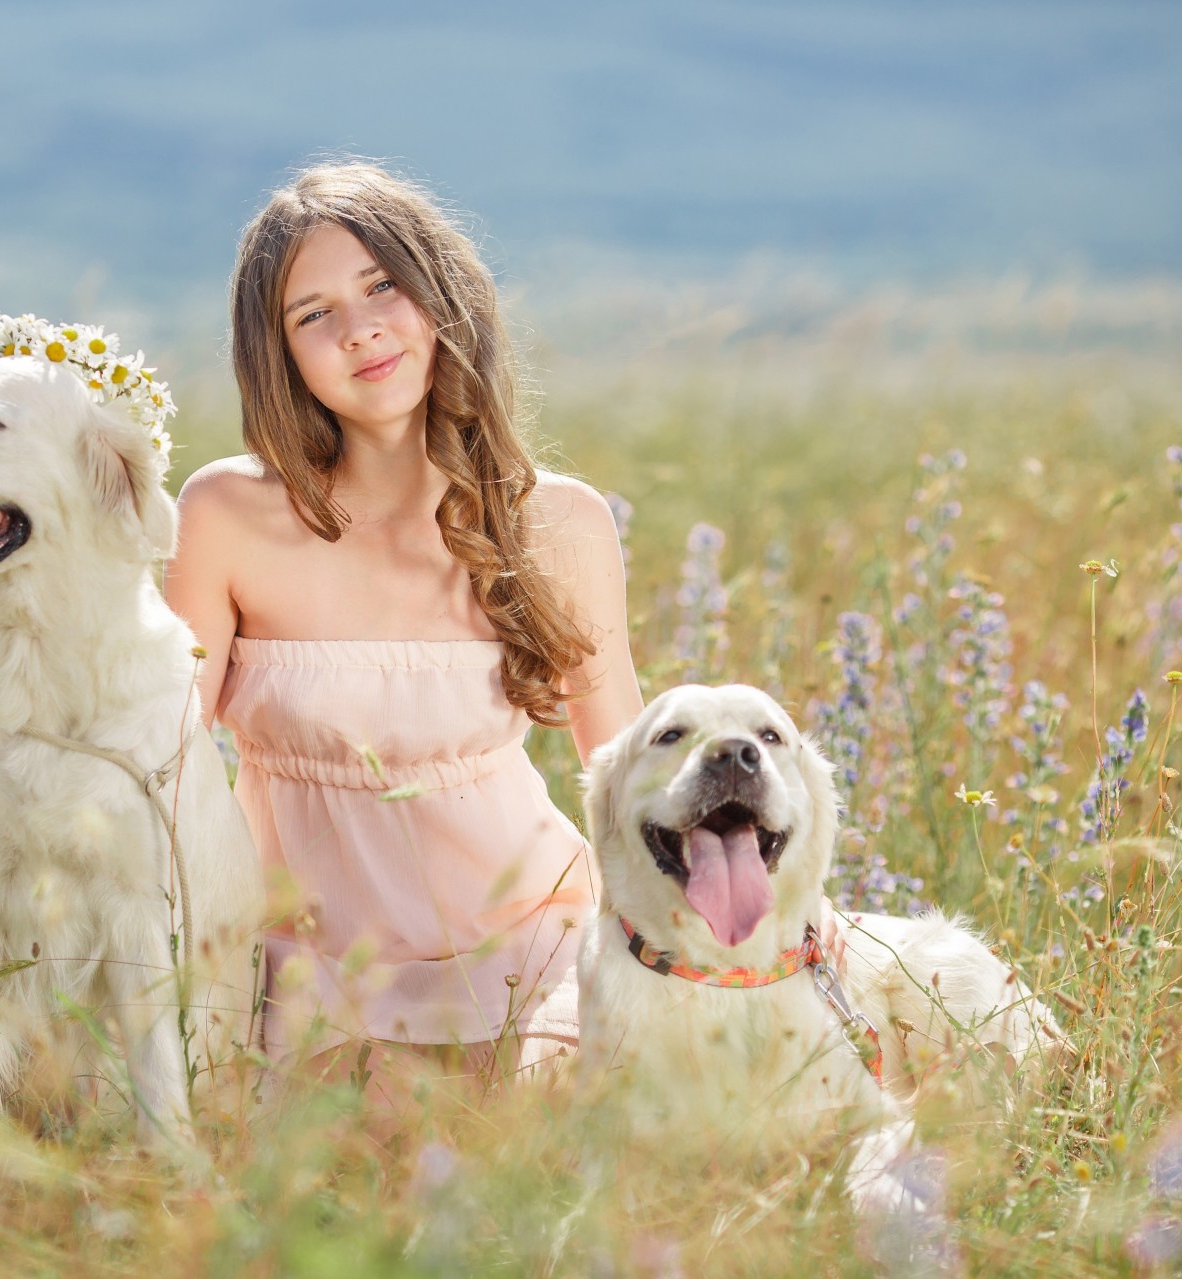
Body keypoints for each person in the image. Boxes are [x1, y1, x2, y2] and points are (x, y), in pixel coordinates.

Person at [166, 163, 839, 1088]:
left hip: (532, 948)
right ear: (275, 353)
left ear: (442, 298)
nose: (359, 328)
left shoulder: (557, 522)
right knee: (360, 1164)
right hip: (307, 967)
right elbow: (158, 765)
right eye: (311, 315)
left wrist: (781, 929)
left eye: (381, 286)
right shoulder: (225, 513)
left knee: (549, 1158)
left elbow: (629, 767)